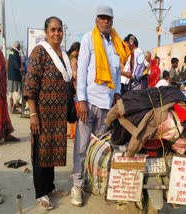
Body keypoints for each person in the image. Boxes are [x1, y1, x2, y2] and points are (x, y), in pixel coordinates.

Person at [71, 5, 129, 207]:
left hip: (107, 105)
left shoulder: (115, 44)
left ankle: (88, 180)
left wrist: (118, 93)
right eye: (102, 18)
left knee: (99, 147)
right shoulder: (89, 39)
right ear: (96, 20)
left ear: (112, 22)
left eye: (108, 19)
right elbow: (82, 72)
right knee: (81, 145)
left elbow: (116, 74)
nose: (105, 21)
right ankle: (77, 185)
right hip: (90, 102)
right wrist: (82, 100)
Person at [23, 17, 72, 210]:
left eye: (59, 30)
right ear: (46, 31)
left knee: (50, 153)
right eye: (53, 30)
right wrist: (33, 114)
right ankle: (40, 193)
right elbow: (30, 85)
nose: (56, 33)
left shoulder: (63, 54)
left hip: (57, 116)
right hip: (42, 114)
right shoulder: (40, 52)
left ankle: (50, 187)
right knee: (40, 154)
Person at [67, 41, 80, 139]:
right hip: (72, 86)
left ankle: (67, 131)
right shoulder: (74, 60)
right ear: (76, 50)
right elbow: (75, 75)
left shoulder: (66, 56)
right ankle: (72, 132)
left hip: (64, 86)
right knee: (73, 109)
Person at [7, 41, 24, 113]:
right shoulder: (16, 53)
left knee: (10, 92)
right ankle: (13, 107)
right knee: (16, 92)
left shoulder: (11, 52)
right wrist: (20, 69)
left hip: (10, 75)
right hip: (16, 76)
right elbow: (15, 62)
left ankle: (11, 107)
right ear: (18, 46)